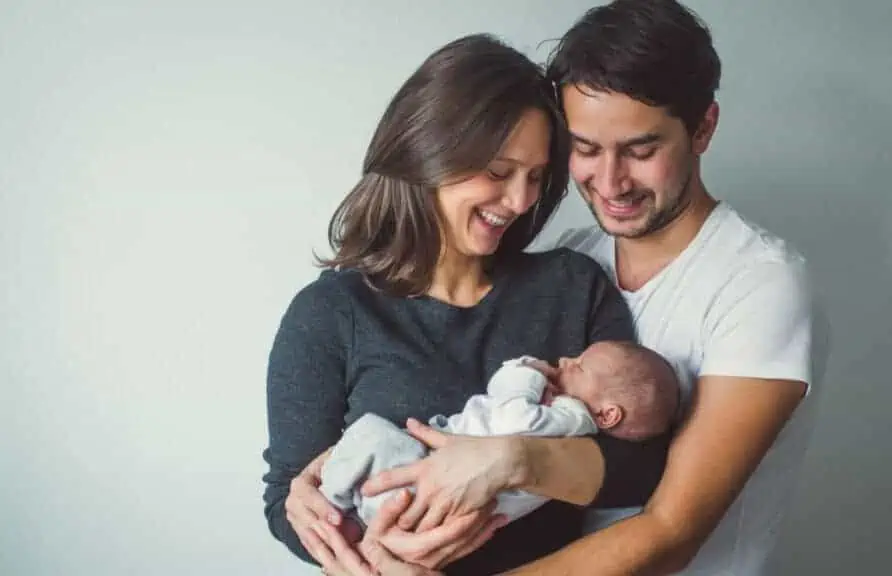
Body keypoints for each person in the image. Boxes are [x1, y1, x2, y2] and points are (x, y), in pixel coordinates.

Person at [358, 1, 828, 575]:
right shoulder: (573, 261)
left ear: (703, 127)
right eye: (585, 149)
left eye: (640, 150)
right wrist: (317, 478)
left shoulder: (760, 284)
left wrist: (512, 460)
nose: (610, 183)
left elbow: (668, 532)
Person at [260, 33, 673, 576]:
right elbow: (286, 501)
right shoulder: (331, 314)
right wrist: (369, 555)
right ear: (428, 152)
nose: (521, 201)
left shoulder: (572, 287)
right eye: (499, 173)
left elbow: (641, 466)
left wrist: (511, 461)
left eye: (535, 178)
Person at [318, 341, 683, 530]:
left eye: (581, 366)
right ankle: (338, 514)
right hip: (422, 496)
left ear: (606, 414)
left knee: (371, 432)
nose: (567, 361)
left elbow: (511, 416)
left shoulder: (572, 420)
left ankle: (331, 507)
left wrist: (524, 370)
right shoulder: (565, 419)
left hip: (421, 486)